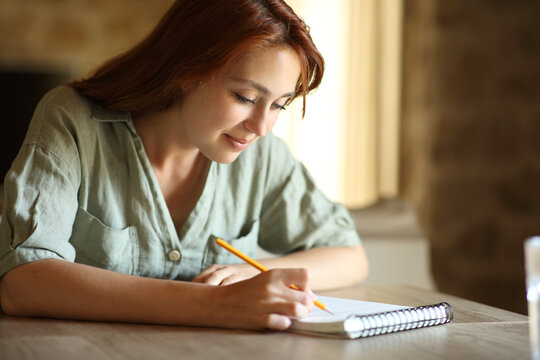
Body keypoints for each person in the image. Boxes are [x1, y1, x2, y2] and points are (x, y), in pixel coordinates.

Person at [0, 0, 368, 331]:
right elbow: (23, 282)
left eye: (278, 105)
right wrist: (216, 305)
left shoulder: (263, 155)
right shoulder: (71, 119)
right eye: (245, 97)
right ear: (185, 70)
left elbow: (350, 257)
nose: (261, 127)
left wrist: (250, 276)